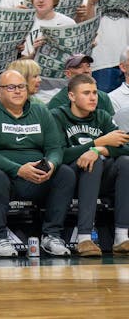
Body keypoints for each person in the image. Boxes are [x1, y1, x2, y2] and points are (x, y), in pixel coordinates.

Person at [0, 69, 76, 257]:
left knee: (65, 173)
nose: (18, 91)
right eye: (11, 87)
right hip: (5, 177)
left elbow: (55, 147)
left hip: (37, 176)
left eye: (21, 87)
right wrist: (18, 169)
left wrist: (51, 164)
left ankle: (51, 235)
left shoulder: (41, 111)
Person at [51, 73, 129, 256]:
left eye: (94, 92)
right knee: (94, 164)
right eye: (86, 93)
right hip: (70, 176)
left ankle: (122, 235)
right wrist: (96, 143)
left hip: (99, 178)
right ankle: (84, 238)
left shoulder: (102, 116)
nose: (93, 97)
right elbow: (59, 154)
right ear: (71, 96)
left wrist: (98, 150)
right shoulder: (57, 116)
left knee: (125, 162)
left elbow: (126, 146)